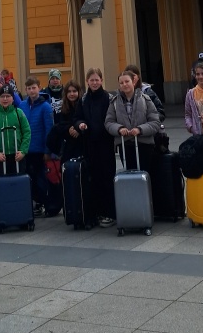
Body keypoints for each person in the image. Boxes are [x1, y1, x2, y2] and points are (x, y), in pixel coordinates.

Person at [74, 68, 116, 227]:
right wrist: (80, 124)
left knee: (107, 178)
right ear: (87, 82)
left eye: (97, 79)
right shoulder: (83, 99)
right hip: (89, 145)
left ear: (101, 80)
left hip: (105, 145)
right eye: (91, 80)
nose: (94, 82)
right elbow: (77, 118)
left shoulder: (109, 98)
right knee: (93, 179)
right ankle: (96, 213)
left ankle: (109, 213)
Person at [105, 70, 161, 175]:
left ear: (133, 82)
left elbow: (155, 122)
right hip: (124, 144)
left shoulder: (145, 99)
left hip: (144, 144)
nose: (124, 85)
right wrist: (119, 129)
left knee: (144, 174)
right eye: (121, 83)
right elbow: (109, 122)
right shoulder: (114, 102)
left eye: (127, 81)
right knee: (129, 174)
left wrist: (140, 129)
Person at [20, 76, 54, 217]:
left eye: (34, 87)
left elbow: (49, 129)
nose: (32, 91)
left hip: (39, 149)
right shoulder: (22, 105)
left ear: (39, 88)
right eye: (29, 88)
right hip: (25, 149)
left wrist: (48, 150)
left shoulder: (45, 106)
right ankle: (34, 202)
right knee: (29, 177)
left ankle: (42, 202)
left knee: (41, 178)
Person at [0, 84, 30, 179]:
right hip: (1, 157)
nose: (5, 99)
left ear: (13, 98)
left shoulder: (19, 113)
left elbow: (27, 132)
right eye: (2, 96)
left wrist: (23, 151)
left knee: (19, 182)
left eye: (8, 96)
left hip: (17, 155)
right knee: (0, 183)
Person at [46, 80, 84, 163]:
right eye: (69, 91)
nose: (72, 94)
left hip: (83, 146)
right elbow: (60, 126)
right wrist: (68, 129)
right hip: (68, 147)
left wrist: (78, 130)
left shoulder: (84, 105)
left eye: (74, 91)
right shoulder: (64, 108)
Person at [185, 59, 203, 136]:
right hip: (199, 134)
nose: (200, 77)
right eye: (198, 74)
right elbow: (188, 114)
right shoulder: (191, 93)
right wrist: (191, 127)